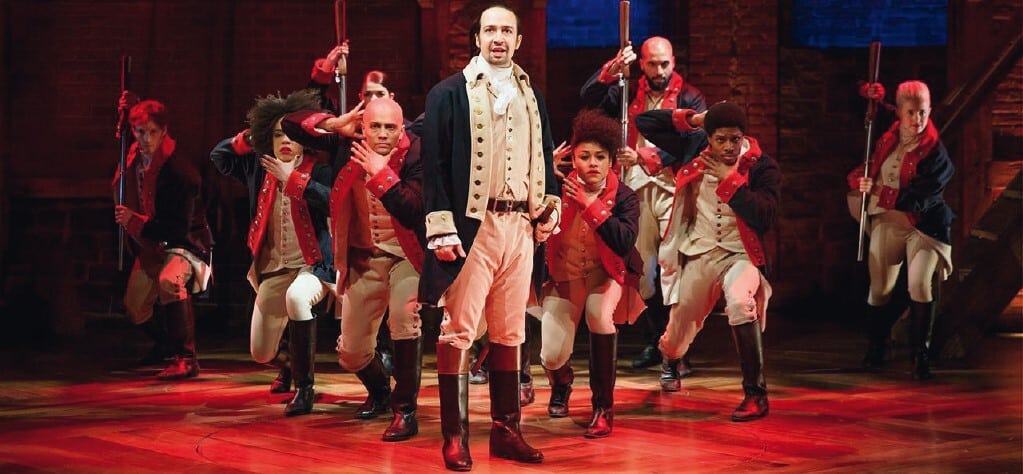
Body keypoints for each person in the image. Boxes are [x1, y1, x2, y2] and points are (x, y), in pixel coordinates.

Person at [420, 3, 559, 470]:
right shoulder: (448, 93)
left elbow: (544, 157)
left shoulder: (531, 95)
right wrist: (441, 228)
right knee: (459, 329)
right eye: (490, 30)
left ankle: (506, 431)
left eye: (506, 31)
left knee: (510, 330)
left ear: (518, 40)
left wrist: (549, 206)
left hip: (519, 226)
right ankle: (455, 436)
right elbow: (435, 166)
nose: (498, 38)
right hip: (472, 226)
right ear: (478, 38)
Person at [283, 97, 426, 441]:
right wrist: (335, 125)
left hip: (407, 257)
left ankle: (405, 410)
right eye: (375, 126)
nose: (382, 134)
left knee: (404, 317)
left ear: (402, 129)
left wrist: (381, 173)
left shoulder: (417, 152)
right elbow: (290, 124)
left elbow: (414, 209)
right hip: (364, 257)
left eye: (390, 128)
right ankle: (381, 392)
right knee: (351, 352)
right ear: (363, 127)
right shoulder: (347, 144)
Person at [636, 101, 780, 422]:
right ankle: (671, 359)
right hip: (700, 251)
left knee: (741, 303)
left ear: (744, 136)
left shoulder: (762, 166)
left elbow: (765, 216)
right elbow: (645, 122)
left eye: (735, 139)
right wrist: (694, 119)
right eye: (720, 139)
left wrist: (731, 180)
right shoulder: (693, 148)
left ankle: (755, 395)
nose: (728, 147)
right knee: (677, 334)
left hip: (741, 253)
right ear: (709, 137)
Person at [580, 36, 707, 378]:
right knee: (643, 268)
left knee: (672, 268)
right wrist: (611, 69)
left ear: (673, 62)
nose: (659, 70)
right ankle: (656, 339)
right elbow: (589, 98)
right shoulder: (626, 92)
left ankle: (677, 349)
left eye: (665, 63)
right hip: (634, 189)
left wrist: (647, 157)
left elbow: (695, 139)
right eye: (652, 64)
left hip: (673, 186)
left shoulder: (690, 96)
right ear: (642, 64)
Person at [210, 90, 335, 415]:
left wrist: (292, 180)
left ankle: (304, 389)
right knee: (261, 353)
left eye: (292, 134)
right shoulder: (258, 167)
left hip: (313, 266)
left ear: (304, 141)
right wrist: (251, 136)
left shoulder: (319, 170)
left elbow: (333, 201)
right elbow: (219, 156)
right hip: (274, 268)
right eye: (278, 134)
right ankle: (292, 362)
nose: (285, 141)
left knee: (298, 298)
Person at [538, 109, 644, 438]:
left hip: (604, 275)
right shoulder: (556, 188)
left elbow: (623, 241)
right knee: (551, 355)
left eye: (600, 156)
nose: (593, 163)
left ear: (612, 160)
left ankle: (603, 408)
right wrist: (543, 173)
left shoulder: (625, 196)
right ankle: (561, 382)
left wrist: (589, 204)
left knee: (599, 315)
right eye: (584, 156)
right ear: (573, 159)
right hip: (565, 275)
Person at [849, 80, 953, 380]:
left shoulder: (936, 153)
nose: (917, 119)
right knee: (880, 287)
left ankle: (920, 356)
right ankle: (876, 348)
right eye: (910, 112)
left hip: (924, 226)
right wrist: (870, 94)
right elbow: (874, 111)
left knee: (919, 284)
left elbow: (923, 199)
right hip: (888, 221)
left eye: (923, 112)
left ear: (929, 110)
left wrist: (879, 191)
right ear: (900, 112)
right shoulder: (889, 133)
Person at [113, 96, 213, 380]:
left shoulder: (180, 172)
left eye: (153, 132)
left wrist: (136, 222)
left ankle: (186, 358)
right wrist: (125, 114)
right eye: (140, 132)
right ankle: (166, 343)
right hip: (152, 241)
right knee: (135, 306)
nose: (146, 139)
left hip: (185, 243)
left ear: (164, 131)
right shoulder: (134, 158)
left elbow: (177, 229)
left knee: (170, 280)